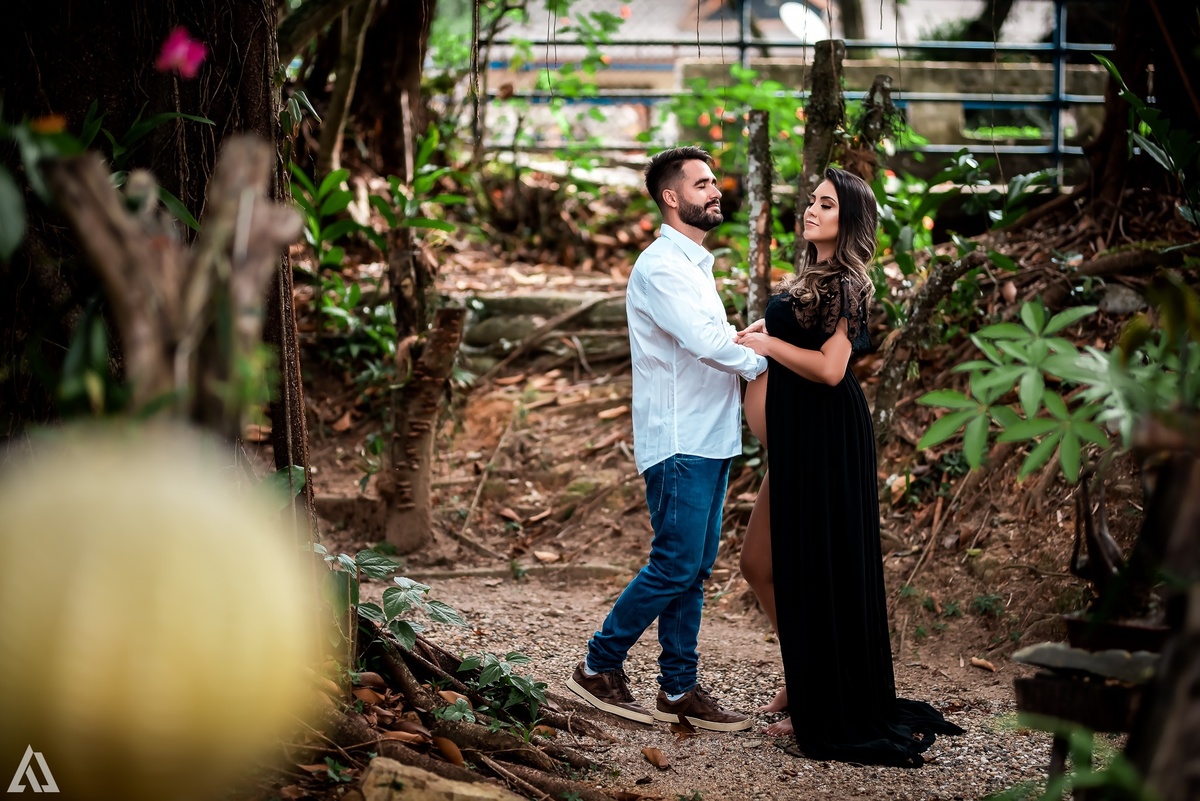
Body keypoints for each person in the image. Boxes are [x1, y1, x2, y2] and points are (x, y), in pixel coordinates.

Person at [735, 167, 964, 765]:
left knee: (813, 568)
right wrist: (770, 331)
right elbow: (802, 341)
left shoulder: (849, 283)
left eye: (827, 205)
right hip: (796, 440)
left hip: (825, 437)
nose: (812, 210)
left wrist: (767, 345)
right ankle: (808, 675)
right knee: (757, 562)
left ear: (850, 220)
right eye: (812, 201)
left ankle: (819, 693)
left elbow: (832, 369)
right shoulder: (812, 276)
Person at [566, 146, 768, 732]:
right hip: (679, 441)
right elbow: (707, 345)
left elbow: (709, 337)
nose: (715, 191)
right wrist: (762, 358)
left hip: (710, 437)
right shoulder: (661, 266)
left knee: (695, 567)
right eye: (702, 184)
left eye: (714, 183)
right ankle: (597, 665)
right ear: (671, 197)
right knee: (676, 563)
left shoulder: (694, 267)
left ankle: (678, 689)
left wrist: (743, 338)